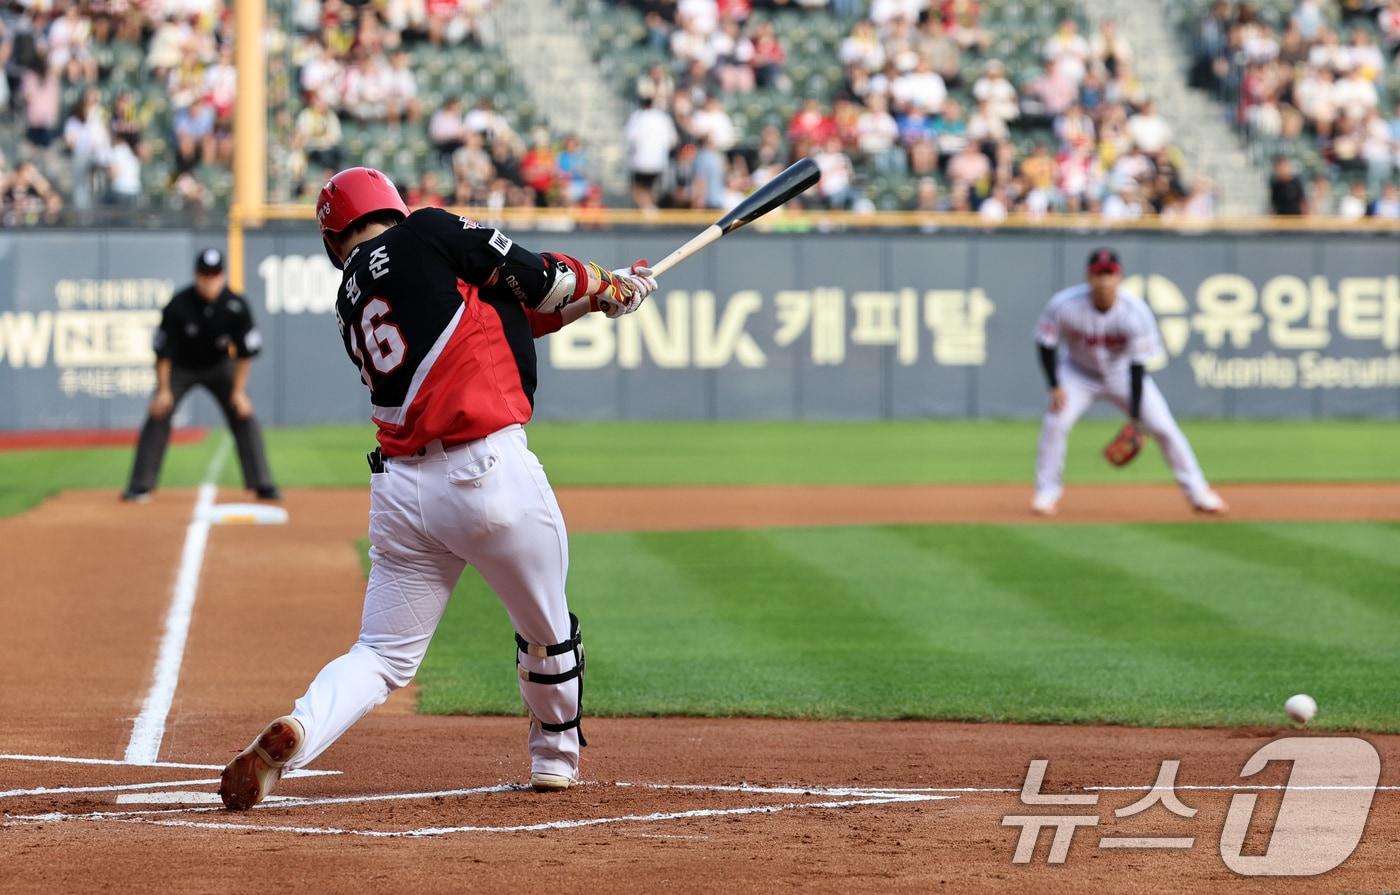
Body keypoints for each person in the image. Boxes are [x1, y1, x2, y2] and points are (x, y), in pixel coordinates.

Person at [218, 167, 656, 810]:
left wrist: (597, 300)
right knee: (547, 629)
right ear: (390, 203)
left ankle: (301, 729)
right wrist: (602, 283)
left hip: (401, 492)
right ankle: (555, 759)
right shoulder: (428, 228)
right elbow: (536, 280)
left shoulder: (350, 299)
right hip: (488, 471)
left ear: (337, 236)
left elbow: (503, 315)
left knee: (381, 655)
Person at [1031, 248, 1226, 516]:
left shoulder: (1135, 312)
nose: (1104, 280)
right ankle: (1046, 493)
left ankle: (1199, 492)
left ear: (1119, 277)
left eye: (1109, 274)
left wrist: (1136, 420)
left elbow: (1137, 366)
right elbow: (1045, 343)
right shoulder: (1065, 305)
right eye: (1099, 274)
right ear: (1089, 277)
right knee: (1055, 423)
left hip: (1121, 374)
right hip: (1077, 373)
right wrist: (1055, 385)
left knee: (1164, 428)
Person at [123, 249, 280, 503]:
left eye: (215, 275)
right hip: (181, 367)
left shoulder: (235, 305)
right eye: (205, 275)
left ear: (223, 276)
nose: (210, 281)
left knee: (244, 413)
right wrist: (163, 390)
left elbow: (245, 353)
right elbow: (162, 353)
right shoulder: (179, 304)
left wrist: (239, 392)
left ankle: (262, 483)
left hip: (219, 366)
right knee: (158, 411)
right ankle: (140, 485)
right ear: (196, 276)